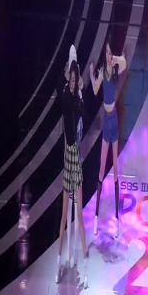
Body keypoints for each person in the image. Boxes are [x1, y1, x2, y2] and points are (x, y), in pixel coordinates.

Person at [89, 32, 126, 239]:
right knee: (102, 168)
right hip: (107, 118)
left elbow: (125, 64)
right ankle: (95, 217)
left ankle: (117, 220)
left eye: (110, 52)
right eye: (106, 52)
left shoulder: (116, 68)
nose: (108, 55)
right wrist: (92, 74)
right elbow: (95, 90)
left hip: (115, 122)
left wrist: (116, 58)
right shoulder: (104, 70)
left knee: (116, 169)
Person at [56, 61, 88, 287]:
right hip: (67, 158)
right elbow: (61, 88)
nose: (74, 82)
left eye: (76, 80)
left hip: (74, 157)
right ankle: (58, 262)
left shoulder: (76, 100)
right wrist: (67, 72)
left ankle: (85, 268)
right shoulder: (66, 95)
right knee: (64, 214)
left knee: (80, 215)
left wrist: (80, 89)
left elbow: (79, 111)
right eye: (72, 79)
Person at [64, 45, 83, 268]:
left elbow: (79, 120)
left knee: (76, 203)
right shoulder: (67, 94)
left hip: (76, 152)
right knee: (68, 203)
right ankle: (68, 250)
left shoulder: (78, 95)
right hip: (69, 152)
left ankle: (75, 252)